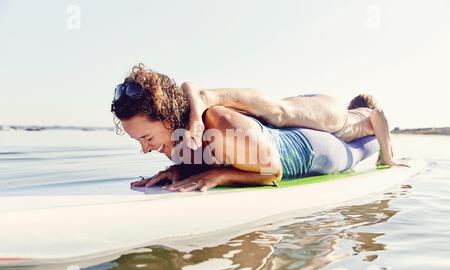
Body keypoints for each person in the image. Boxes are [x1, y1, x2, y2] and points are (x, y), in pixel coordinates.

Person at [111, 64, 380, 192]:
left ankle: (374, 128)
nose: (145, 149)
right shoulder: (180, 142)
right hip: (291, 138)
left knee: (358, 150)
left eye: (146, 138)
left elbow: (273, 172)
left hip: (312, 151)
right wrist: (177, 170)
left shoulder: (221, 124)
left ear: (169, 119)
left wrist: (219, 176)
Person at [182, 83, 406, 167]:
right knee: (278, 112)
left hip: (327, 116)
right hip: (337, 119)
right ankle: (205, 95)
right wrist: (388, 157)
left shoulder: (351, 112)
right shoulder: (365, 113)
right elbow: (380, 114)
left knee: (268, 120)